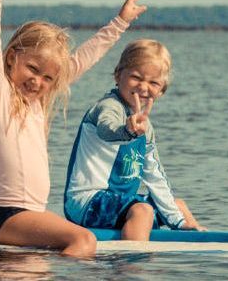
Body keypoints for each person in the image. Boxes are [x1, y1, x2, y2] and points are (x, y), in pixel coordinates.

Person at [0, 0, 147, 257]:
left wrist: (121, 21)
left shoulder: (38, 103)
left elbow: (84, 58)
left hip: (31, 216)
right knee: (83, 241)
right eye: (32, 68)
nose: (38, 81)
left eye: (48, 78)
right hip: (8, 216)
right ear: (13, 58)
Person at [64, 39, 206, 240]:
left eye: (153, 83)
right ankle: (130, 266)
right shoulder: (108, 107)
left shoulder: (145, 127)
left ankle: (194, 239)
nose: (143, 87)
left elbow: (154, 175)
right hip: (86, 202)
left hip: (121, 202)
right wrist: (127, 130)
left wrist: (178, 221)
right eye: (136, 77)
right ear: (118, 75)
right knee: (142, 211)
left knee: (178, 207)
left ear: (161, 90)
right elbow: (107, 129)